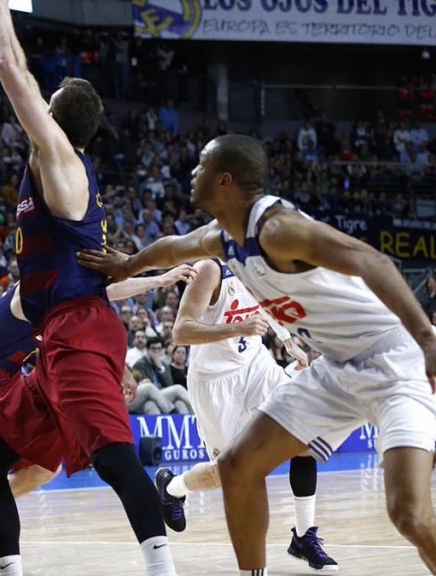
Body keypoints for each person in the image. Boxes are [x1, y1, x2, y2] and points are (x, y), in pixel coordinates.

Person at [77, 133, 436, 575]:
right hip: (333, 368)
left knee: (409, 514)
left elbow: (373, 261)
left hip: (392, 361)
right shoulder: (223, 239)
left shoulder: (278, 228)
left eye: (201, 166)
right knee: (237, 466)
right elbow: (172, 247)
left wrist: (426, 337)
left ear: (224, 180)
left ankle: (306, 535)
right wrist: (128, 265)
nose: (192, 173)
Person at [0, 3, 178, 576]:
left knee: (113, 459)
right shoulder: (55, 163)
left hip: (78, 329)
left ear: (54, 116)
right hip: (57, 335)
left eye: (45, 102)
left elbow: (13, 74)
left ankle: (162, 567)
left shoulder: (59, 160)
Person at [0, 266, 195, 574]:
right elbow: (104, 291)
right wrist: (157, 279)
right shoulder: (33, 292)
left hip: (7, 383)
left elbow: (98, 295)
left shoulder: (58, 294)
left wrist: (158, 280)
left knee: (45, 467)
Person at [157, 257, 338, 571]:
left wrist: (287, 340)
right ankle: (172, 487)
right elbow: (181, 331)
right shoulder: (211, 269)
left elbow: (267, 304)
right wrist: (237, 327)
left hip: (256, 365)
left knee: (306, 435)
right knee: (228, 474)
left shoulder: (259, 262)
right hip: (214, 380)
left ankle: (304, 534)